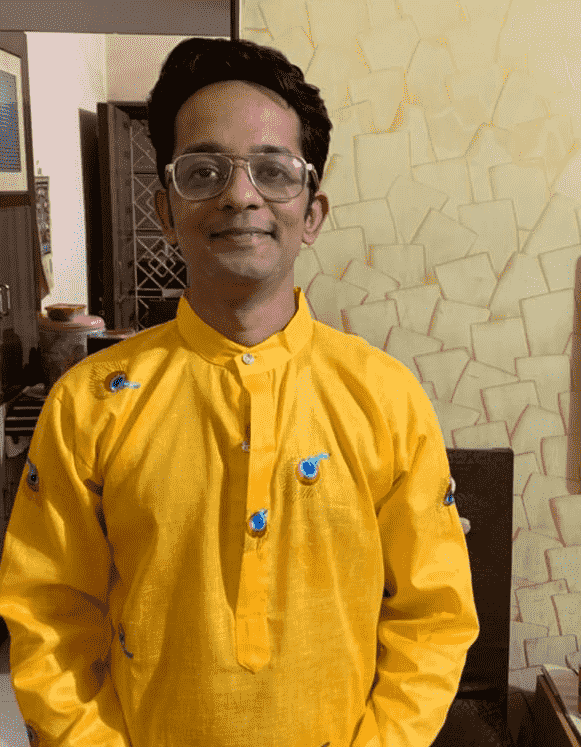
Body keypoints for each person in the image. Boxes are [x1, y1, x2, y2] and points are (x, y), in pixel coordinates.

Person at [0, 37, 479, 747]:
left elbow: (432, 616)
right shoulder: (90, 403)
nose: (239, 195)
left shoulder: (384, 397)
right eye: (204, 171)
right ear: (166, 210)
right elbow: (49, 617)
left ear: (311, 213)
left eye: (272, 171)